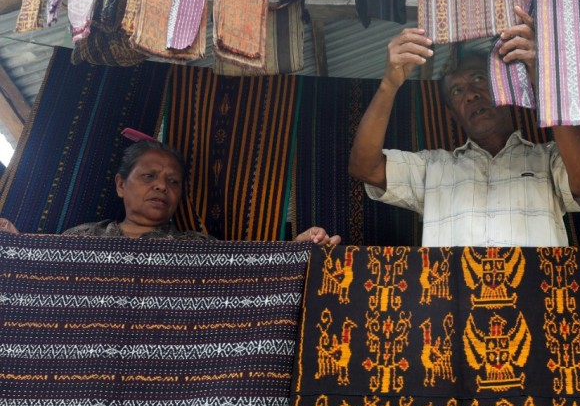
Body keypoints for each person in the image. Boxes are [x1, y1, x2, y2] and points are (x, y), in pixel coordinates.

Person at [349, 6, 580, 247]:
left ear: (505, 88)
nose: (470, 94)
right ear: (453, 115)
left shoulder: (548, 159)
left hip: (537, 292)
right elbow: (365, 168)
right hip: (452, 293)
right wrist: (388, 85)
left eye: (479, 79)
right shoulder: (434, 168)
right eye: (457, 90)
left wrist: (541, 76)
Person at [0, 139, 341, 246]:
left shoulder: (196, 246)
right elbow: (44, 281)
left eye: (173, 181)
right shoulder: (83, 237)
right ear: (121, 185)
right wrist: (15, 244)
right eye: (149, 176)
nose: (162, 185)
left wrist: (299, 248)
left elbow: (253, 273)